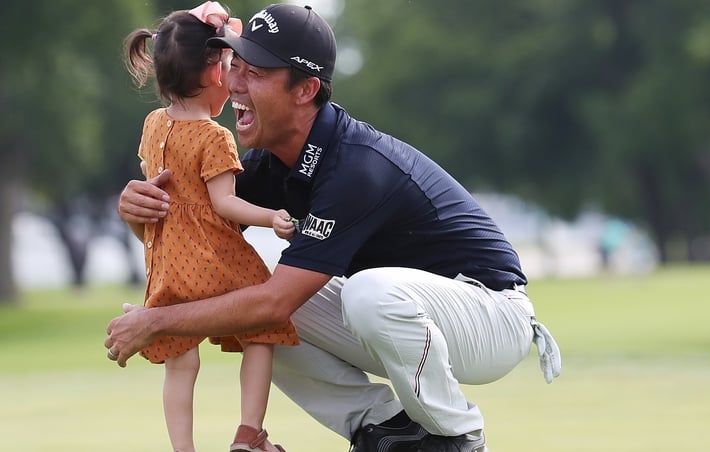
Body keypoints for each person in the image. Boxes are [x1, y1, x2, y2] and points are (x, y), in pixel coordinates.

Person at [107, 3, 561, 451]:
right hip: (417, 315)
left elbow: (275, 302)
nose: (235, 84)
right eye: (236, 66)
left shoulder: (355, 166)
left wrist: (157, 321)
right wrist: (139, 216)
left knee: (347, 295)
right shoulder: (269, 161)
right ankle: (384, 432)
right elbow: (197, 249)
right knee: (239, 279)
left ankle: (456, 437)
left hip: (491, 313)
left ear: (305, 90)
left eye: (257, 72)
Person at [121, 2, 299, 451]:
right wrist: (271, 218)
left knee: (181, 365)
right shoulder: (214, 136)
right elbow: (226, 204)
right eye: (227, 66)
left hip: (167, 263)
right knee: (262, 330)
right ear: (215, 75)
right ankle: (248, 433)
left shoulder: (153, 124)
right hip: (212, 258)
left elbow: (153, 182)